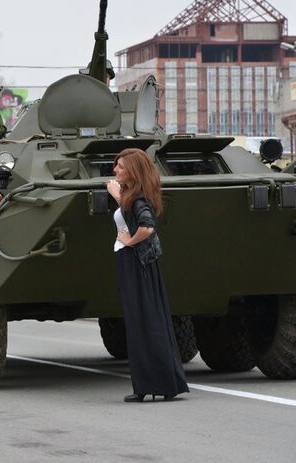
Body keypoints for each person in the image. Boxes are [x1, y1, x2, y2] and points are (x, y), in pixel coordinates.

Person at [107, 148, 189, 403]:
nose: (115, 170)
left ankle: (147, 386)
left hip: (135, 263)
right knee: (146, 321)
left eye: (120, 166)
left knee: (142, 322)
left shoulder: (138, 198)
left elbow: (147, 226)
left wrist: (129, 241)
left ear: (133, 170)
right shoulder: (133, 196)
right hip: (135, 263)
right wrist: (119, 196)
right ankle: (161, 384)